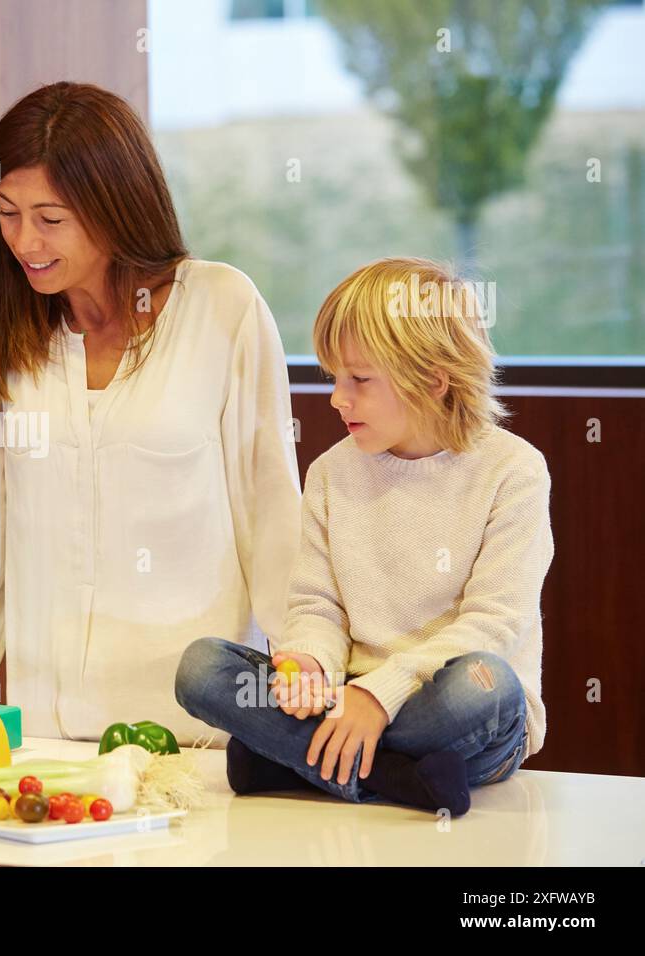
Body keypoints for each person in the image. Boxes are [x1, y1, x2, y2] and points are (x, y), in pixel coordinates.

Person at [0, 82, 301, 744]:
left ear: (116, 205)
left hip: (197, 731)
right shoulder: (2, 333)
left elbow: (272, 510)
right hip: (47, 732)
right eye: (7, 213)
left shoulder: (222, 307)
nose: (25, 240)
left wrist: (300, 656)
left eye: (51, 218)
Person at [175, 257, 554, 815]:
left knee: (486, 685)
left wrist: (380, 695)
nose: (337, 398)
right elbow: (316, 605)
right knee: (202, 668)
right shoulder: (331, 472)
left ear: (431, 380)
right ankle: (400, 779)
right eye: (334, 378)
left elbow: (493, 626)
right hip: (345, 698)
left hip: (454, 712)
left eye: (359, 380)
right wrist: (309, 663)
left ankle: (295, 761)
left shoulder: (515, 471)